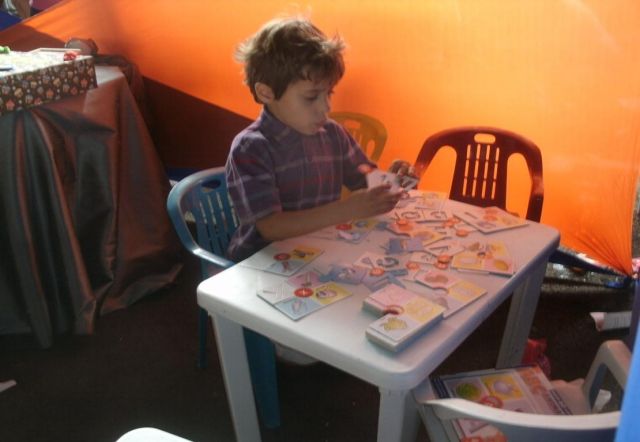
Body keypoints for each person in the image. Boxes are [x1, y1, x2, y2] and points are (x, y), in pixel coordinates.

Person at [225, 16, 414, 262]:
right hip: (260, 263)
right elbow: (271, 227)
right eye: (311, 97)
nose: (326, 108)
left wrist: (395, 182)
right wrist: (347, 209)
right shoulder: (251, 147)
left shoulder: (332, 134)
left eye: (328, 93)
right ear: (266, 92)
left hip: (317, 253)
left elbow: (366, 182)